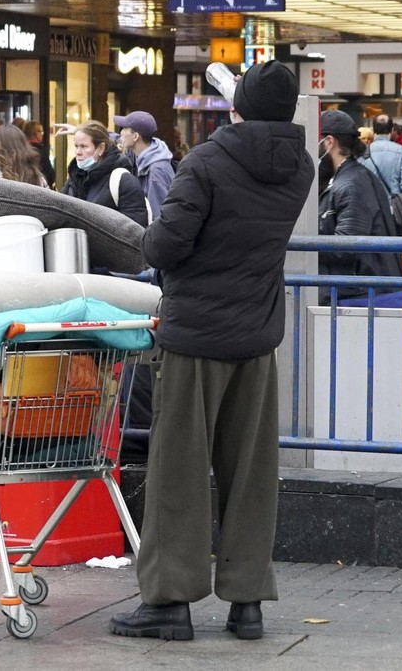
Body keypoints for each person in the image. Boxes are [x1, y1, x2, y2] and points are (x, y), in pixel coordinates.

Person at [108, 60, 314, 642]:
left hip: (195, 335)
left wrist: (149, 237)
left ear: (237, 105)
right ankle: (247, 602)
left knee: (179, 471)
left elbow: (167, 244)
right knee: (250, 473)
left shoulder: (206, 161)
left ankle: (171, 602)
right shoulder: (299, 166)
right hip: (257, 335)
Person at [317, 109, 402, 307]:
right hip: (361, 292)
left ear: (329, 142)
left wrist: (307, 243)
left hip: (361, 296)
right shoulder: (347, 177)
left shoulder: (351, 184)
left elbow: (347, 245)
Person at [62, 120, 149, 227]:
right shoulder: (73, 180)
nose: (78, 152)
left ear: (101, 148)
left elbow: (135, 231)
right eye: (76, 146)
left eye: (84, 146)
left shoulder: (123, 181)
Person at [114, 110, 175, 221]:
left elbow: (159, 219)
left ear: (136, 136)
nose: (121, 133)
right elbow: (115, 138)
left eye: (124, 129)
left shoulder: (156, 173)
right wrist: (82, 131)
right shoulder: (140, 153)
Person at [22, 119, 55, 188]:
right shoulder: (40, 152)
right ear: (36, 134)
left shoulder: (20, 150)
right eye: (41, 132)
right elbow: (50, 175)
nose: (42, 135)